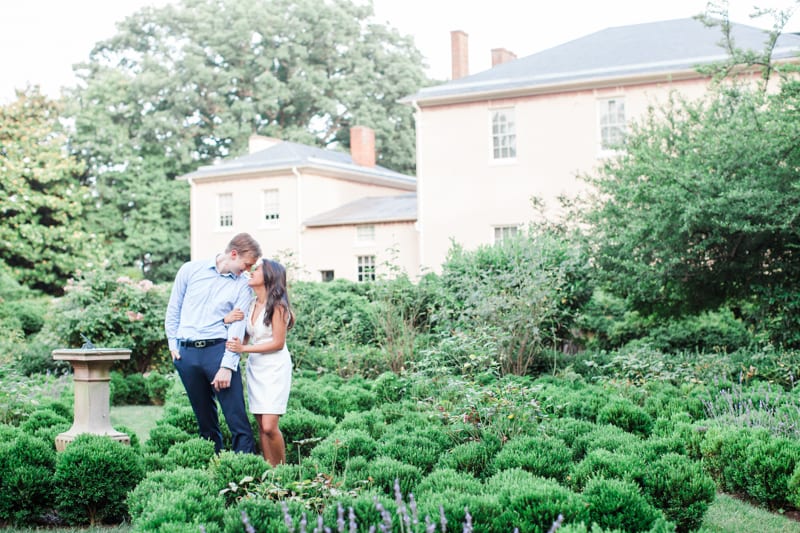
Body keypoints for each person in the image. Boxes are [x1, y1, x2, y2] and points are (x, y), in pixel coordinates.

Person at [164, 233, 261, 454]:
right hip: (186, 354)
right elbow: (174, 308)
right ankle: (213, 473)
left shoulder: (243, 285)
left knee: (237, 419)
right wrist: (172, 343)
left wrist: (227, 366)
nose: (247, 270)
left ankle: (246, 473)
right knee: (205, 422)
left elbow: (237, 326)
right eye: (246, 265)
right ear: (233, 254)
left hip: (219, 351)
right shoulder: (189, 270)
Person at [225, 259, 295, 466]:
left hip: (275, 367)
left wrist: (243, 349)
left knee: (269, 426)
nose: (251, 272)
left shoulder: (279, 307)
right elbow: (245, 336)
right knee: (260, 426)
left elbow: (278, 343)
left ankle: (283, 472)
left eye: (257, 270)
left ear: (268, 277)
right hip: (255, 367)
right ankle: (269, 472)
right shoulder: (251, 304)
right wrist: (227, 321)